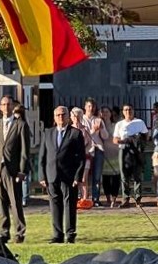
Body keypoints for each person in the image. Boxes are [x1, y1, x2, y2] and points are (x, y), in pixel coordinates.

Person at [0, 94, 32, 243]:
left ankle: (20, 233)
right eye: (3, 105)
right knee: (1, 203)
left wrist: (22, 170)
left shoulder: (20, 125)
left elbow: (24, 151)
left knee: (15, 202)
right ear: (0, 107)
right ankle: (3, 232)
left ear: (13, 106)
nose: (6, 107)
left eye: (8, 104)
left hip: (13, 170)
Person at [45, 105, 85, 244]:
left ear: (68, 116)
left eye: (63, 115)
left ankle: (70, 233)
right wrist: (42, 176)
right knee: (55, 205)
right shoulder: (48, 133)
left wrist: (77, 177)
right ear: (54, 117)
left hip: (69, 176)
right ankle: (57, 234)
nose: (60, 117)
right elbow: (43, 156)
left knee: (69, 205)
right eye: (58, 115)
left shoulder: (75, 133)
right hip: (52, 174)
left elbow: (81, 157)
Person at [113, 104, 148, 207]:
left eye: (130, 109)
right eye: (126, 110)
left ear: (133, 111)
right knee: (124, 176)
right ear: (123, 112)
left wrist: (137, 140)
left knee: (137, 175)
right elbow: (115, 139)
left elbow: (146, 135)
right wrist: (125, 141)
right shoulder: (119, 124)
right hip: (124, 150)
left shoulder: (140, 122)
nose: (128, 111)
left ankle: (138, 199)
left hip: (136, 151)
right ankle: (126, 198)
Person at [83, 100, 110, 207]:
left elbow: (105, 136)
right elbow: (84, 135)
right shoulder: (82, 120)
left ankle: (96, 198)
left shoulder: (98, 120)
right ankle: (84, 196)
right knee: (84, 176)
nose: (91, 108)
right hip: (86, 150)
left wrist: (102, 129)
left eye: (93, 106)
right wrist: (93, 131)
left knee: (97, 176)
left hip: (98, 149)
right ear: (85, 107)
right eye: (89, 106)